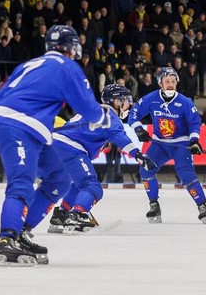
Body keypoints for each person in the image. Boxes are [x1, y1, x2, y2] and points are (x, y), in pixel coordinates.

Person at [0, 24, 105, 266]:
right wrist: (100, 119)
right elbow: (88, 107)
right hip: (20, 127)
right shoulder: (67, 67)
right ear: (71, 48)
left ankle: (20, 232)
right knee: (21, 181)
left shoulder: (28, 65)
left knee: (60, 177)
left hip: (21, 127)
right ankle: (6, 239)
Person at [29, 84, 154, 234]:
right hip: (70, 148)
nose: (129, 104)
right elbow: (120, 137)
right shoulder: (109, 115)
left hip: (54, 146)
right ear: (116, 101)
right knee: (92, 186)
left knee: (78, 183)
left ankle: (61, 215)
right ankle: (77, 215)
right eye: (125, 100)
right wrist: (139, 155)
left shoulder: (92, 109)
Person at [130, 65, 206, 226]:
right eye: (167, 81)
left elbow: (194, 122)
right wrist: (139, 129)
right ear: (160, 83)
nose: (170, 84)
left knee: (186, 174)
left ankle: (203, 207)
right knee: (145, 168)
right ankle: (154, 205)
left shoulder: (185, 102)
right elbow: (134, 113)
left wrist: (194, 141)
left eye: (173, 81)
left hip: (180, 144)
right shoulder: (151, 98)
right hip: (159, 143)